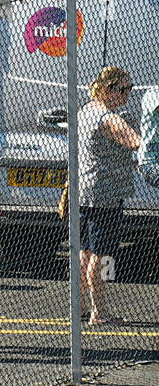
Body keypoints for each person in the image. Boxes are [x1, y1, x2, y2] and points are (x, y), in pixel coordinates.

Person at [75, 66, 139, 325]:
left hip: (86, 190)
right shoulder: (108, 118)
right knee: (104, 255)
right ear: (107, 89)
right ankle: (99, 311)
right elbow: (136, 142)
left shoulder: (85, 110)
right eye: (123, 89)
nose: (127, 95)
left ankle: (79, 305)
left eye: (130, 89)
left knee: (86, 250)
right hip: (106, 194)